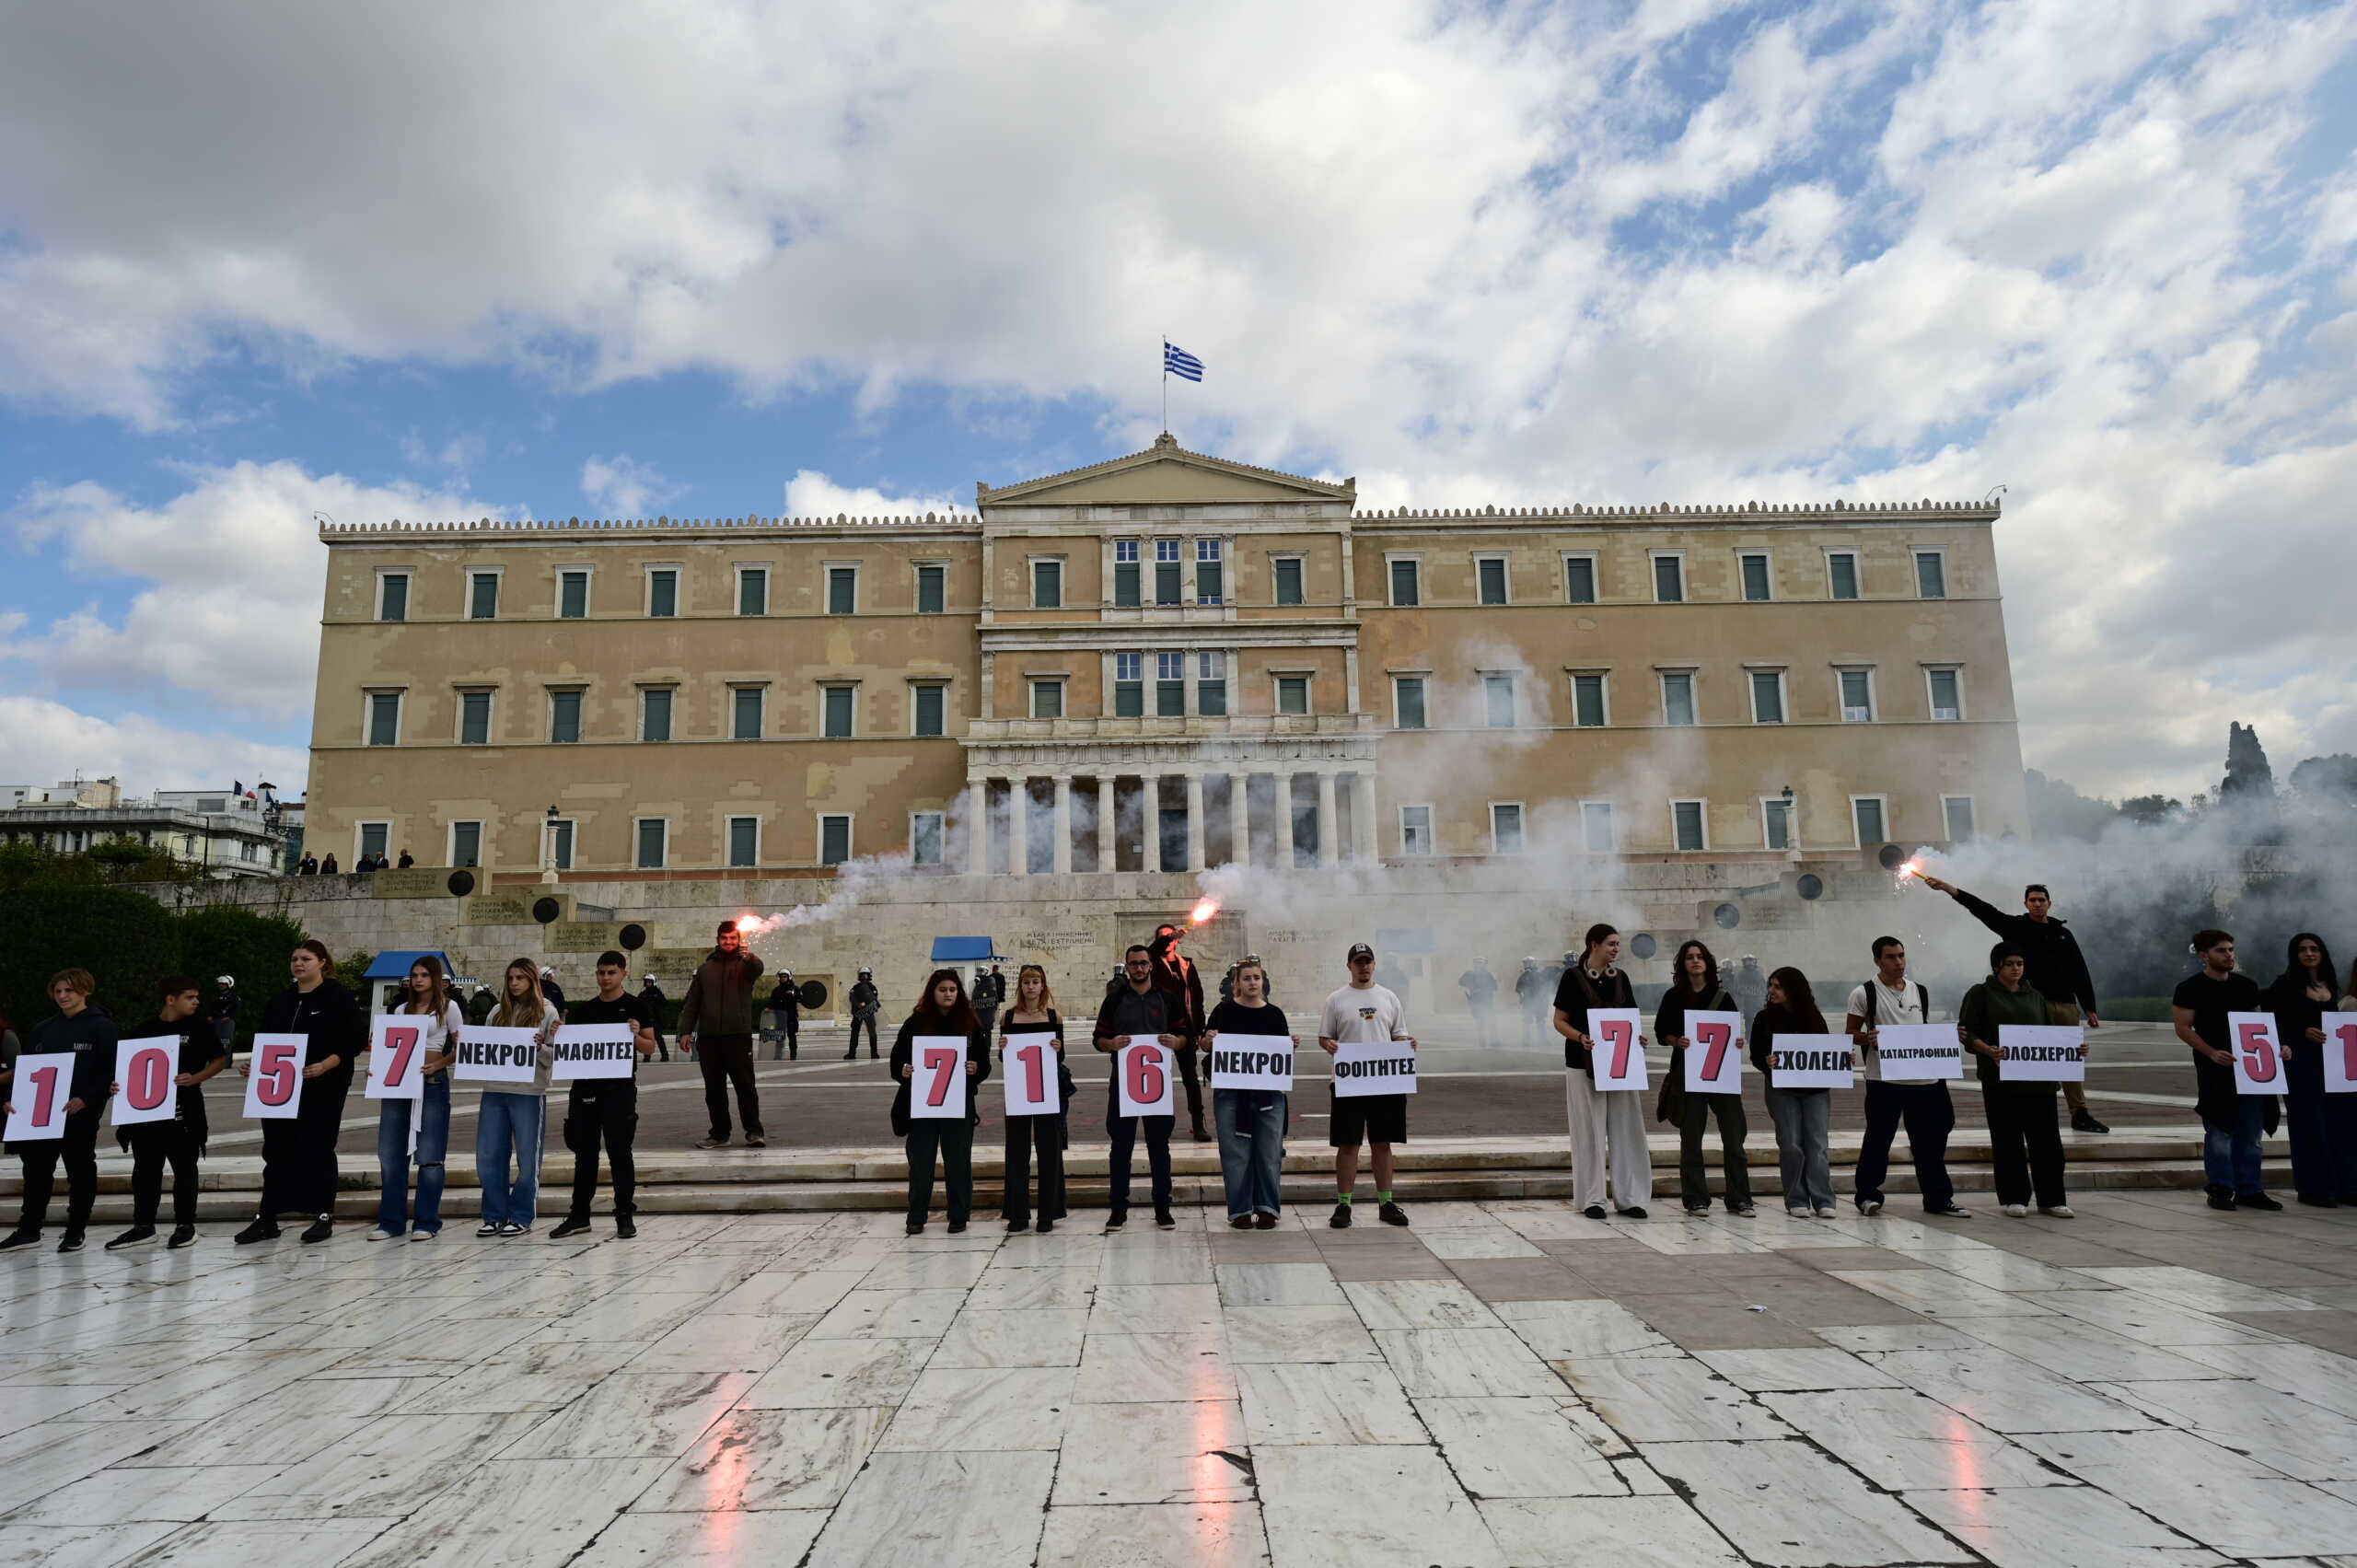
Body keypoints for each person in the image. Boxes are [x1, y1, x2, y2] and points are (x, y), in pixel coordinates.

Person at [1918, 875, 2110, 1132]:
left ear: (2049, 903)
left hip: (2063, 1003)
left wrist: (2089, 1007)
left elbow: (2079, 969)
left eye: (2041, 900)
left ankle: (2080, 1112)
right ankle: (2031, 1111)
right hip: (2029, 1005)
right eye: (2032, 900)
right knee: (2029, 1059)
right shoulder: (2016, 928)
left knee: (2068, 1060)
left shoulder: (2062, 933)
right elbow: (1982, 909)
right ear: (2025, 903)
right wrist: (1949, 889)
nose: (2037, 904)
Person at [235, 941, 364, 1246]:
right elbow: (268, 1040)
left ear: (322, 962)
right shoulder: (282, 1000)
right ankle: (268, 1217)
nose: (298, 963)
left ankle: (322, 1214)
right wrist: (255, 1066)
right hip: (281, 1087)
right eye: (294, 958)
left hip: (323, 1086)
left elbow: (353, 1040)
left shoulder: (338, 997)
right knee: (277, 1149)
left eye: (306, 958)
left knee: (317, 1148)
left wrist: (325, 1065)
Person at [1844, 937, 1969, 1220]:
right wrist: (1868, 1037)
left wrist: (1949, 1037)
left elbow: (1920, 1031)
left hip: (1922, 1080)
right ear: (1877, 960)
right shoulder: (1864, 993)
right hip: (1884, 1080)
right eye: (1891, 957)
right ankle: (1867, 1195)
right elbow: (1849, 1033)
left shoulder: (1919, 991)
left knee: (1930, 1141)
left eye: (1901, 956)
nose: (1898, 962)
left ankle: (1938, 1198)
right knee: (1878, 1139)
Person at [1, 969, 117, 1253]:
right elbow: (26, 1069)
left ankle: (75, 1230)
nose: (63, 996)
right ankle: (29, 1230)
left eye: (69, 991)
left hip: (78, 1114)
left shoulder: (101, 1027)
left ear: (85, 991)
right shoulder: (43, 1028)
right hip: (40, 1115)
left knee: (79, 1171)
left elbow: (109, 1070)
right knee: (36, 1171)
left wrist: (86, 1099)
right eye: (58, 991)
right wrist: (12, 1099)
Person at [552, 950, 658, 1240]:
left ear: (624, 973)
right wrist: (559, 1033)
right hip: (586, 1089)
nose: (605, 978)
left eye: (611, 972)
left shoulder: (636, 1007)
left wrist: (635, 1035)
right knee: (584, 1155)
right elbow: (574, 1048)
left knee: (620, 1153)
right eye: (601, 972)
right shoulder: (585, 1010)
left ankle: (624, 1214)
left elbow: (650, 1047)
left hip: (619, 1091)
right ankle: (579, 1215)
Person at [2173, 929, 2282, 1212]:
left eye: (2231, 949)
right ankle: (2221, 1188)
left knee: (2251, 1132)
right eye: (2222, 950)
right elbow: (2183, 1027)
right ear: (2204, 956)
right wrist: (2210, 1052)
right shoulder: (2190, 988)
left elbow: (2259, 1024)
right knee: (2220, 1130)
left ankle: (2250, 1188)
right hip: (2215, 1068)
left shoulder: (2247, 986)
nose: (2229, 955)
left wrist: (2276, 1047)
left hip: (2249, 1068)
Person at [1962, 940, 2070, 1217]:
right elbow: (1968, 1034)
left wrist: (2072, 1048)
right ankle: (2014, 1197)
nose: (2015, 969)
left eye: (2019, 964)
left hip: (2039, 1081)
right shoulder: (1981, 993)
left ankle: (2052, 1198)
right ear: (1997, 965)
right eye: (2009, 964)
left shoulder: (2035, 996)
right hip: (2001, 1081)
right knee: (2008, 1140)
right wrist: (1989, 1051)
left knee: (2047, 1142)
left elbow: (2049, 1033)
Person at [1554, 923, 1650, 1220]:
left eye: (1618, 944)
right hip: (1583, 1063)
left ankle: (1630, 1197)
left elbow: (1629, 1018)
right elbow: (1559, 1020)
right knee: (1589, 1131)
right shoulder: (1572, 977)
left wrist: (1638, 1038)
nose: (1615, 949)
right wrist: (1579, 1037)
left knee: (1626, 1129)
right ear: (1593, 944)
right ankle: (1592, 1199)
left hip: (1620, 1064)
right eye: (1611, 943)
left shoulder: (1621, 978)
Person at [366, 956, 464, 1242]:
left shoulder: (449, 1008)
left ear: (435, 978)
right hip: (399, 1085)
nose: (418, 979)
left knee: (430, 1155)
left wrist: (441, 1063)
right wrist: (377, 1069)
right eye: (414, 975)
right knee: (392, 1154)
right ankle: (391, 1221)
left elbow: (462, 1045)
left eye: (424, 974)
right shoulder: (400, 1011)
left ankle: (427, 1220)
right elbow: (387, 1047)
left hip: (431, 1082)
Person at [1319, 941, 1416, 1228]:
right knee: (1348, 1143)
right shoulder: (1335, 1000)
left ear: (1374, 964)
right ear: (1349, 966)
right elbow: (1325, 1037)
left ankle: (1386, 1201)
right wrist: (1329, 1045)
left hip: (1384, 1081)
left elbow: (1399, 1033)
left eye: (1368, 962)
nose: (1364, 967)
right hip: (1349, 1081)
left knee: (1382, 1143)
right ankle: (1344, 1204)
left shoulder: (1389, 997)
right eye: (1358, 962)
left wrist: (1406, 1043)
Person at [1654, 940, 1753, 1217]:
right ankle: (1696, 1199)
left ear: (1708, 962)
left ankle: (1740, 1198)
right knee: (1692, 1140)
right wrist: (1678, 1040)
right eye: (1689, 957)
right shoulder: (1673, 997)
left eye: (1699, 957)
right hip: (1689, 1074)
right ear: (1682, 964)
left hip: (1722, 1076)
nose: (1695, 961)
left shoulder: (1722, 996)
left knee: (1734, 1139)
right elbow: (1662, 1032)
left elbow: (1732, 1031)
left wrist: (1738, 1041)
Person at [891, 970, 991, 1236]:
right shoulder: (916, 1022)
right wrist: (903, 1070)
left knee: (958, 1161)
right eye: (942, 989)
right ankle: (916, 1215)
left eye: (952, 990)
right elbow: (897, 1058)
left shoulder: (970, 1022)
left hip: (958, 1105)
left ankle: (958, 1214)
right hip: (923, 1106)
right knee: (921, 1163)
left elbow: (985, 1063)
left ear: (958, 993)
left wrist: (975, 1068)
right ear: (932, 992)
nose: (948, 994)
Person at [1096, 944, 1183, 1231]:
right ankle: (1118, 1209)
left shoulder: (1167, 999)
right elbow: (1099, 1038)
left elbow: (1186, 1034)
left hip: (1156, 1085)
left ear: (1151, 966)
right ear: (1127, 966)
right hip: (1123, 1083)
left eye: (1144, 963)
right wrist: (1112, 1044)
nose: (1139, 968)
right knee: (1121, 1148)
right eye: (1134, 964)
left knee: (1160, 1147)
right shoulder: (1115, 999)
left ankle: (1163, 1208)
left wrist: (1176, 1042)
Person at [1205, 957, 1293, 1228]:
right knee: (1235, 1154)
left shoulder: (1275, 1014)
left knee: (1269, 1153)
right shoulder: (1223, 1012)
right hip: (1232, 1094)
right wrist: (1207, 1040)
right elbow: (1206, 1044)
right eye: (1247, 978)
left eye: (1256, 978)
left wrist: (1291, 1046)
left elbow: (1281, 1053)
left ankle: (1267, 1208)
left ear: (1263, 981)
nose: (1252, 982)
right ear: (1237, 983)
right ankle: (1240, 1211)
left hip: (1269, 1095)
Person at [2273, 934, 2357, 1207]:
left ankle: (2346, 1187)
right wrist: (2301, 1032)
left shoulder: (2330, 983)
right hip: (2301, 1062)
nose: (2309, 953)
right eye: (2302, 950)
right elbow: (2271, 1022)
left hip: (2333, 1063)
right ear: (2294, 955)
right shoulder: (2285, 984)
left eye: (2314, 949)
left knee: (2340, 1124)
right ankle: (2315, 1189)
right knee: (2310, 1125)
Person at [476, 958, 557, 1237]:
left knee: (527, 1157)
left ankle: (521, 1215)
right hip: (494, 1091)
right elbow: (484, 1048)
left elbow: (556, 1056)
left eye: (520, 978)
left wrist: (540, 1048)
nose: (514, 983)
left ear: (532, 980)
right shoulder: (497, 1012)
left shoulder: (547, 1011)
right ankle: (494, 1214)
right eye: (510, 978)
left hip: (528, 1093)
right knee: (489, 1156)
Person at [1754, 967, 1840, 1218]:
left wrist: (1841, 1058)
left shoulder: (1813, 1017)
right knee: (1791, 1144)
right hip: (1782, 1089)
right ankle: (1796, 1198)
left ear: (1794, 989)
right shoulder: (1764, 1018)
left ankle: (1823, 1199)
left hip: (1815, 1090)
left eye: (1778, 986)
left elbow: (1824, 1049)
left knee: (1817, 1144)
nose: (1772, 991)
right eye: (1771, 985)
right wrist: (1766, 1061)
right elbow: (1756, 1052)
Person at [1000, 963, 1074, 1234]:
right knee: (1017, 1152)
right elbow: (1004, 1059)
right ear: (1020, 986)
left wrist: (1057, 1047)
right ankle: (1018, 1215)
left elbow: (1060, 1056)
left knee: (1049, 1151)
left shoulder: (1054, 1017)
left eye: (1035, 982)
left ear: (1043, 986)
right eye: (1026, 982)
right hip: (1019, 1091)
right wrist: (1003, 1048)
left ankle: (1048, 1215)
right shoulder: (1008, 1017)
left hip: (1047, 1091)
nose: (1031, 987)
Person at [679, 922, 766, 1148]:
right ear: (718, 940)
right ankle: (719, 1134)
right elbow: (692, 1003)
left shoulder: (746, 965)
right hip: (709, 1039)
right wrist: (685, 1031)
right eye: (724, 938)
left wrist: (750, 958)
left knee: (745, 1086)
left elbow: (758, 969)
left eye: (733, 939)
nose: (729, 942)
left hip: (737, 1036)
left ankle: (754, 1131)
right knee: (714, 1089)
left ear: (739, 940)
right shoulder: (705, 970)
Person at [1149, 924, 1212, 1142]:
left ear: (1178, 941)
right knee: (1158, 1077)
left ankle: (1198, 1122)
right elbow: (1151, 951)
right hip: (1158, 1028)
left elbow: (1197, 996)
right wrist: (1168, 937)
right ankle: (1160, 1124)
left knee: (1191, 1079)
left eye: (1172, 937)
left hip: (1184, 1028)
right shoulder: (1152, 963)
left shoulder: (1186, 964)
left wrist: (1199, 1029)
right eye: (1164, 938)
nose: (1169, 941)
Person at [1459, 958, 1499, 1049]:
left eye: (1480, 963)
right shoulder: (1470, 974)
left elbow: (1495, 987)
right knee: (1481, 1021)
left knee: (1491, 1020)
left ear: (1484, 964)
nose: (1478, 965)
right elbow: (1461, 982)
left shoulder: (1488, 974)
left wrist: (1486, 988)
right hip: (1476, 1001)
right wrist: (1471, 985)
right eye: (1477, 963)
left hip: (1487, 1001)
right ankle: (1482, 1040)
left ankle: (1494, 1040)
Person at [845, 969, 881, 1060]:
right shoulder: (872, 987)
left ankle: (852, 1054)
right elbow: (874, 999)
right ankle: (874, 1053)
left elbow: (852, 998)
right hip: (867, 1012)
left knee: (856, 1033)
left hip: (859, 1013)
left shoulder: (856, 987)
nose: (864, 977)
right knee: (870, 1032)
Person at [766, 970, 801, 1062]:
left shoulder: (795, 989)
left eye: (785, 977)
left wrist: (794, 995)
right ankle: (778, 1055)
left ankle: (793, 1055)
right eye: (782, 977)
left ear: (789, 977)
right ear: (779, 978)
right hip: (780, 1015)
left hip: (791, 1016)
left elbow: (801, 999)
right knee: (779, 1036)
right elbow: (771, 1001)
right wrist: (769, 1008)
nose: (783, 978)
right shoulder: (776, 990)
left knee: (791, 1035)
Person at [1514, 958, 1549, 1048]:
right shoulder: (1523, 976)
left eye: (1529, 963)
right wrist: (1522, 997)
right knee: (1527, 1021)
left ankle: (1543, 1040)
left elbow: (1545, 989)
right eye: (1526, 963)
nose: (1527, 965)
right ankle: (1527, 1040)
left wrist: (1544, 1002)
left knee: (1540, 1021)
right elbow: (1518, 990)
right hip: (1528, 1002)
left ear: (1533, 963)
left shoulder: (1539, 975)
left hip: (1539, 1002)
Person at [207, 975, 240, 1062]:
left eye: (223, 984)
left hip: (227, 1023)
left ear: (229, 984)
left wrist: (229, 1017)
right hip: (215, 1022)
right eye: (219, 984)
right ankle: (213, 1061)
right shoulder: (215, 996)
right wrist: (209, 1016)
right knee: (214, 1041)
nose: (221, 985)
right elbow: (210, 1008)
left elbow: (236, 1010)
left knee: (226, 1042)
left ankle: (226, 1062)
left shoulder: (234, 997)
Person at [639, 975, 670, 1062]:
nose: (648, 983)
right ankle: (647, 1056)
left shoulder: (658, 993)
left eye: (649, 982)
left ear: (653, 982)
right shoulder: (643, 994)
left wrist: (656, 999)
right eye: (646, 982)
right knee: (647, 1038)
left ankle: (665, 1055)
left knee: (659, 1038)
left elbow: (665, 1003)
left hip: (656, 1020)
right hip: (646, 1020)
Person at [975, 962, 1006, 1040]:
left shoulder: (990, 977)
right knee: (997, 1010)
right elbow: (1003, 987)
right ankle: (996, 1021)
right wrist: (1002, 996)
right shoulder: (1001, 976)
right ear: (997, 969)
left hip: (989, 998)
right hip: (997, 997)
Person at [1731, 955, 1767, 1020]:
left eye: (1751, 960)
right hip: (1745, 1004)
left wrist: (1763, 999)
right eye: (1747, 961)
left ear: (1754, 962)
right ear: (1744, 962)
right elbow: (1737, 989)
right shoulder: (1740, 974)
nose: (1749, 962)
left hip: (1757, 1002)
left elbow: (1764, 988)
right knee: (1748, 1022)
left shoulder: (1759, 974)